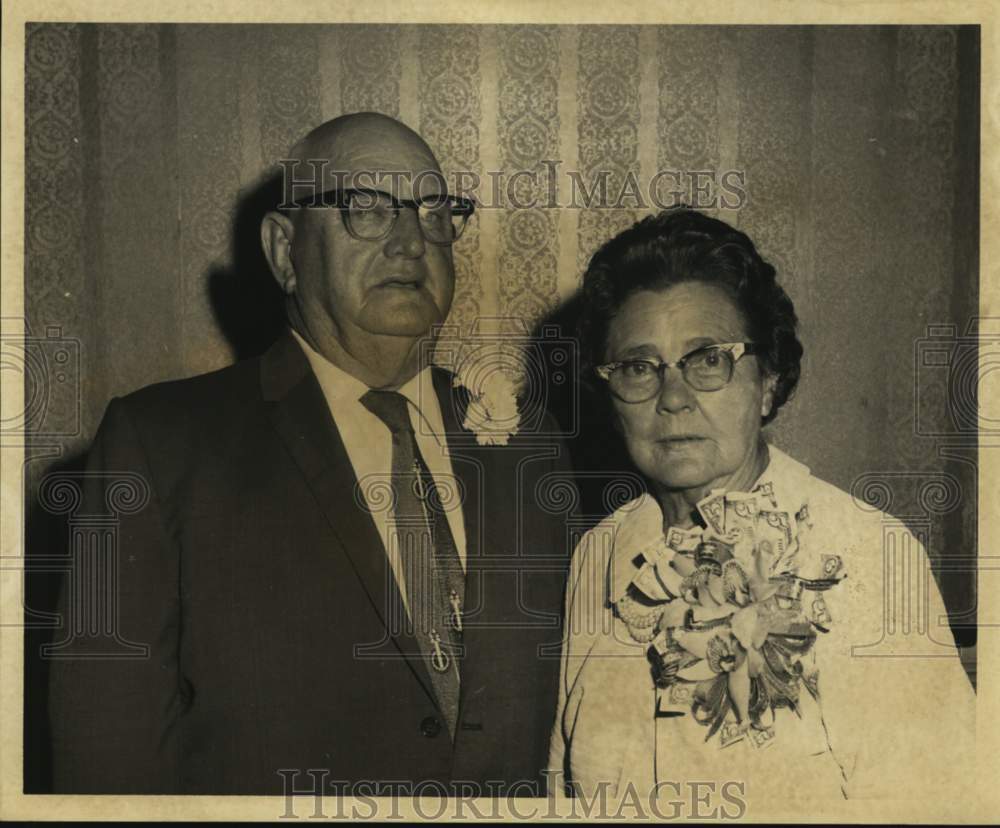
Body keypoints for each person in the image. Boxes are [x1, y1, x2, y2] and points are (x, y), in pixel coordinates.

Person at [48, 112, 573, 795]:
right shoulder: (160, 444)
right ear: (283, 251)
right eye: (366, 210)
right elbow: (104, 758)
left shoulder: (527, 440)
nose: (412, 243)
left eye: (434, 212)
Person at [548, 209, 975, 806]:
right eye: (639, 367)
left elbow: (940, 805)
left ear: (768, 379)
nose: (673, 399)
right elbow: (561, 790)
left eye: (708, 359)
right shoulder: (600, 554)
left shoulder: (868, 552)